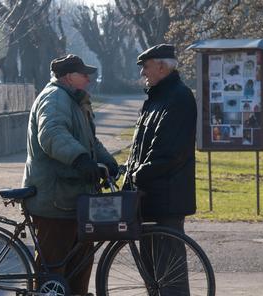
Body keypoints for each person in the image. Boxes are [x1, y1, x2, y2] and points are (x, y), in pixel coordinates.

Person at [22, 54, 118, 295]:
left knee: (79, 267)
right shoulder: (54, 98)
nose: (88, 77)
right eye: (83, 73)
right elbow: (51, 134)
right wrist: (81, 159)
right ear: (67, 76)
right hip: (55, 201)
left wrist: (108, 162)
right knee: (53, 275)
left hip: (74, 199)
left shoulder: (74, 100)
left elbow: (90, 141)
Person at [123, 44, 197, 295]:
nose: (143, 73)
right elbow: (141, 148)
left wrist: (136, 174)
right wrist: (129, 171)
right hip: (150, 197)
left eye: (146, 66)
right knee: (153, 274)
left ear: (162, 67)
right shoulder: (157, 98)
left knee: (169, 276)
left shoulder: (178, 97)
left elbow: (168, 152)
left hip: (167, 198)